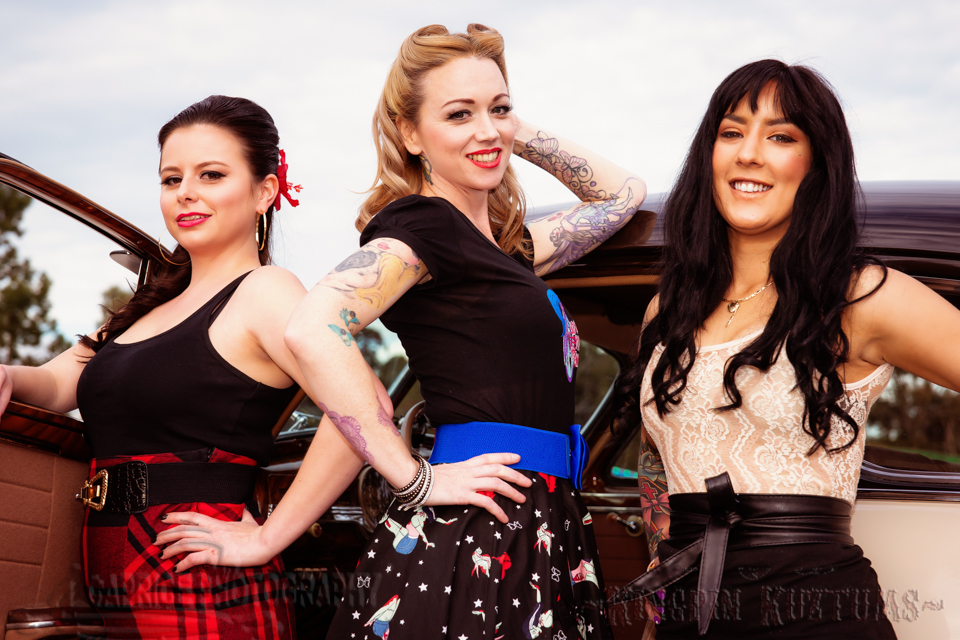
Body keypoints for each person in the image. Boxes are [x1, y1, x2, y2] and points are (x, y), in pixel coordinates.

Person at [159, 23, 646, 639]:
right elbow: (314, 327)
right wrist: (414, 479)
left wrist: (501, 127)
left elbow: (621, 195)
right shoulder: (423, 226)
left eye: (499, 107)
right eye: (457, 114)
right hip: (480, 525)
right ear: (410, 134)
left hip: (542, 521)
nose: (486, 129)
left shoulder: (507, 249)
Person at [0, 95, 376, 639]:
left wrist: (269, 536)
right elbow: (60, 383)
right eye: (171, 179)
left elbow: (364, 407)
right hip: (110, 570)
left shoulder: (266, 291)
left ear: (265, 191)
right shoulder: (147, 303)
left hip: (201, 574)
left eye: (211, 175)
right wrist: (9, 376)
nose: (186, 192)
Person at [605, 59, 957, 638]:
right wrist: (661, 583)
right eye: (731, 132)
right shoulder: (665, 310)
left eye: (781, 136)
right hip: (687, 611)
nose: (749, 153)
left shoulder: (860, 295)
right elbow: (657, 465)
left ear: (817, 163)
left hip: (815, 612)